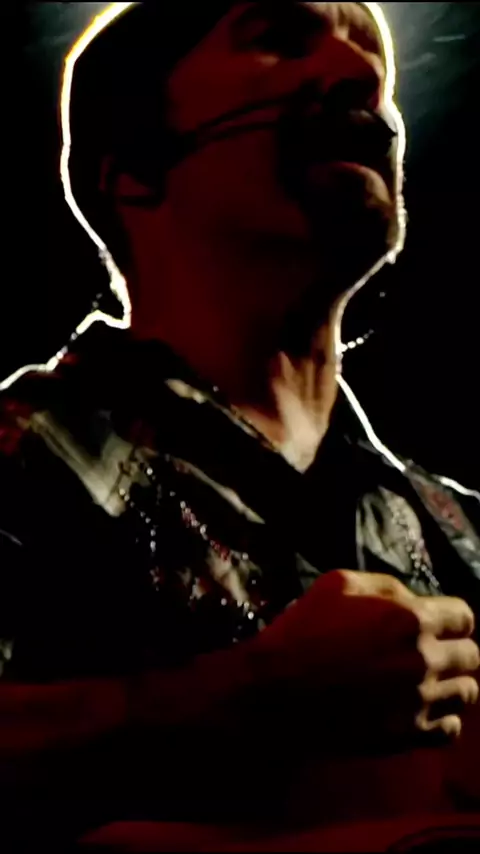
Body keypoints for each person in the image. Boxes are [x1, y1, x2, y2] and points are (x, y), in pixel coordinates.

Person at [2, 1, 480, 846]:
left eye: (373, 64)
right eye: (279, 39)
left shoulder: (462, 532)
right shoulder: (22, 454)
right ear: (135, 166)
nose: (364, 77)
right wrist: (246, 699)